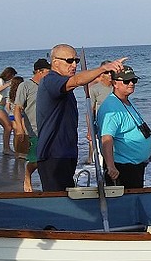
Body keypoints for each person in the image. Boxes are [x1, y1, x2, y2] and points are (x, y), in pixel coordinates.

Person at [36, 44, 125, 192]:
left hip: (67, 151)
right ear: (55, 62)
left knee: (67, 196)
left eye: (76, 61)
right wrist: (103, 68)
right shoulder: (51, 80)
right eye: (69, 61)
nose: (74, 65)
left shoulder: (63, 82)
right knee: (58, 201)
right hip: (53, 153)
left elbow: (82, 81)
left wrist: (104, 77)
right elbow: (77, 81)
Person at [97, 65, 151, 189]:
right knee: (126, 205)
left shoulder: (125, 101)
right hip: (122, 167)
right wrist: (111, 166)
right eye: (126, 81)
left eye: (134, 80)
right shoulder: (111, 107)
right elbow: (106, 138)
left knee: (136, 202)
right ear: (115, 83)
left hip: (135, 166)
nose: (131, 83)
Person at [13, 59, 50, 192]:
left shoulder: (48, 85)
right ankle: (27, 176)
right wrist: (20, 128)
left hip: (49, 128)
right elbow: (17, 108)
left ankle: (48, 184)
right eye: (48, 71)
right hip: (33, 130)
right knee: (35, 161)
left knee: (50, 159)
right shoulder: (26, 86)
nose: (50, 74)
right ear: (39, 71)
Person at [86, 60, 113, 164]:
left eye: (111, 71)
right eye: (107, 72)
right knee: (100, 148)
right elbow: (90, 111)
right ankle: (91, 162)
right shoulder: (94, 89)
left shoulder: (117, 87)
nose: (110, 74)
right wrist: (90, 129)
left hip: (115, 123)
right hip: (102, 124)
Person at [0, 66, 17, 155]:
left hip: (0, 107)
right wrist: (8, 84)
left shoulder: (3, 82)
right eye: (12, 76)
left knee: (8, 127)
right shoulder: (0, 80)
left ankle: (7, 148)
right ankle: (6, 149)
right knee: (8, 127)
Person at [8, 76, 27, 158]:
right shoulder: (22, 92)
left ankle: (17, 152)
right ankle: (23, 152)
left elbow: (7, 106)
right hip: (21, 115)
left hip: (12, 115)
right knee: (24, 133)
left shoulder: (10, 93)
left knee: (16, 134)